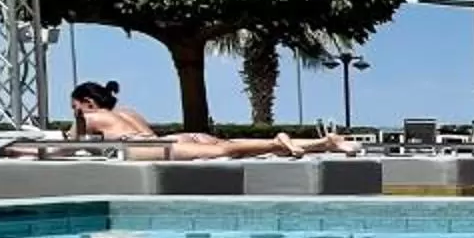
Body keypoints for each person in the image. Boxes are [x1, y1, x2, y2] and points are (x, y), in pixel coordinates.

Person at [64, 82, 357, 159]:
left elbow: (68, 144)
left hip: (151, 149)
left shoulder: (90, 117)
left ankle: (275, 141)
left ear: (87, 103)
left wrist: (77, 120)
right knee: (229, 144)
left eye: (74, 105)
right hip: (181, 138)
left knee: (227, 150)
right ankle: (325, 143)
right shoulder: (128, 111)